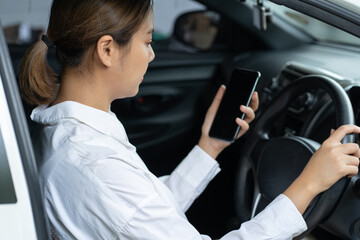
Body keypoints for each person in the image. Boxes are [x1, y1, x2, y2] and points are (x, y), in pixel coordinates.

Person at [19, 0, 360, 239]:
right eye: (148, 41)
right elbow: (133, 207)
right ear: (107, 50)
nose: (152, 54)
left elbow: (141, 214)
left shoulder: (66, 133)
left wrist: (208, 147)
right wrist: (309, 184)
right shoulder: (96, 166)